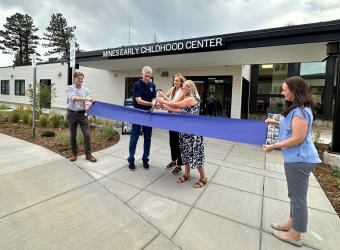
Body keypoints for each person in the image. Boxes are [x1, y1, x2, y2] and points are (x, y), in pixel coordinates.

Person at [263, 76, 321, 247]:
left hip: (299, 159)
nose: (282, 93)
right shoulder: (296, 109)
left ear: (294, 90)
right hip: (296, 159)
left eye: (284, 89)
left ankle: (295, 234)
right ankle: (291, 223)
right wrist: (275, 122)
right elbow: (290, 127)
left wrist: (273, 145)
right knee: (294, 195)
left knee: (298, 198)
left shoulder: (300, 111)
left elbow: (297, 138)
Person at [156, 80, 207, 188]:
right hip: (185, 132)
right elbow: (179, 110)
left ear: (190, 88)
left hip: (193, 134)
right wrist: (165, 107)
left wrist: (162, 100)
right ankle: (187, 174)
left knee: (196, 156)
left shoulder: (192, 99)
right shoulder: (187, 99)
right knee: (185, 155)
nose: (182, 89)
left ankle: (203, 177)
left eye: (183, 88)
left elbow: (175, 104)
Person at [128, 66, 156, 171]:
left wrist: (154, 101)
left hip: (149, 116)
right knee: (134, 138)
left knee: (148, 139)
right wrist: (151, 103)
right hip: (137, 115)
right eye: (145, 76)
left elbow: (154, 97)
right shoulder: (136, 85)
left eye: (149, 76)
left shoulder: (152, 85)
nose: (147, 78)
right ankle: (131, 159)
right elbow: (139, 100)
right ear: (142, 74)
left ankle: (145, 159)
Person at [158, 73, 186, 174]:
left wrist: (162, 96)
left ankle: (179, 165)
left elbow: (173, 103)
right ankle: (173, 161)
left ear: (181, 82)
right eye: (174, 80)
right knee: (172, 142)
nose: (175, 82)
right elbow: (167, 101)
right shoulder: (172, 89)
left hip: (179, 120)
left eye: (177, 81)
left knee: (178, 143)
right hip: (171, 118)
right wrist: (160, 104)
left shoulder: (182, 91)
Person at [66, 71, 97, 162]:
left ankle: (88, 155)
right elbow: (73, 98)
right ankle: (74, 154)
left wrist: (87, 109)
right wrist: (86, 99)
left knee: (87, 135)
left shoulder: (86, 90)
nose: (80, 80)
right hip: (72, 113)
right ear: (74, 78)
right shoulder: (69, 88)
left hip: (83, 114)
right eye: (78, 78)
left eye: (81, 79)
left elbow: (88, 102)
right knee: (73, 135)